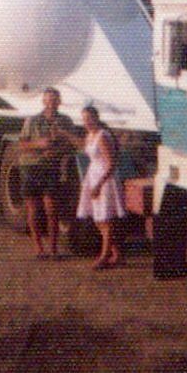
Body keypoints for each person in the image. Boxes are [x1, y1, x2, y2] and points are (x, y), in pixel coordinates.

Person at [58, 104, 126, 269]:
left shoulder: (103, 136)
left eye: (89, 118)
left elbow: (111, 163)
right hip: (93, 175)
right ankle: (116, 254)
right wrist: (65, 134)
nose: (87, 122)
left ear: (96, 118)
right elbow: (82, 145)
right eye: (84, 119)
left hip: (104, 178)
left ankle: (104, 256)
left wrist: (99, 185)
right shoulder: (90, 135)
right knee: (98, 219)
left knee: (104, 219)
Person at [18, 87, 74, 259]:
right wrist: (39, 144)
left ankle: (54, 249)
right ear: (43, 101)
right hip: (32, 166)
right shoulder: (32, 121)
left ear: (59, 101)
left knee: (52, 209)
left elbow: (71, 144)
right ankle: (38, 248)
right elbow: (22, 144)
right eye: (48, 99)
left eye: (54, 99)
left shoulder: (65, 121)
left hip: (52, 167)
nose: (51, 102)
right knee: (33, 209)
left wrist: (56, 152)